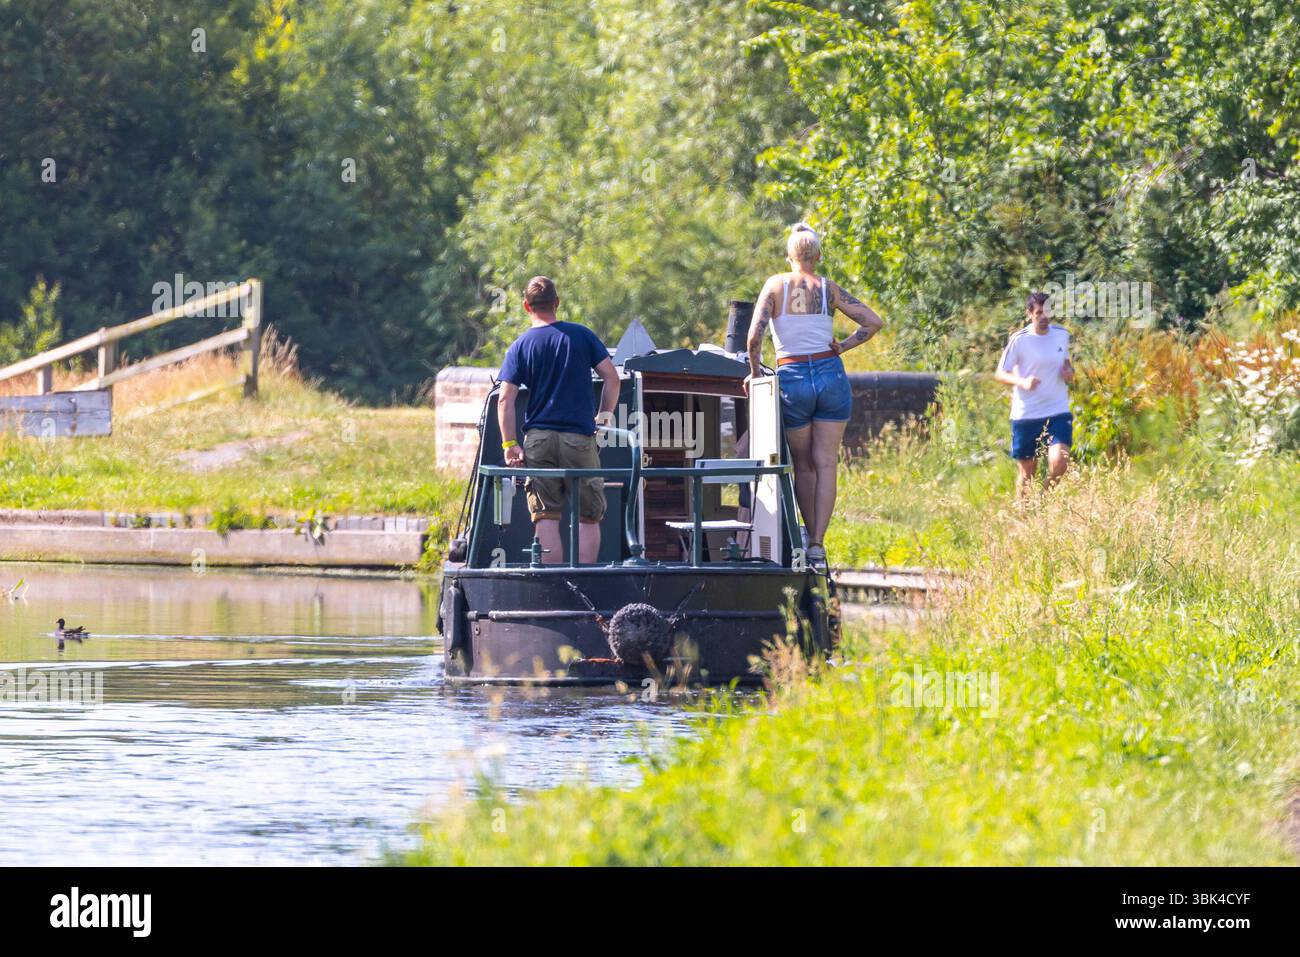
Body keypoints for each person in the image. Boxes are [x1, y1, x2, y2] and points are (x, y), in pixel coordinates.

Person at [745, 223, 884, 566]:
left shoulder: (775, 285)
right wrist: (844, 347)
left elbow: (753, 338)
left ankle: (806, 534)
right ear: (818, 256)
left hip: (792, 378)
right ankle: (818, 545)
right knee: (827, 463)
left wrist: (753, 374)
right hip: (830, 376)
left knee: (803, 466)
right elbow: (872, 322)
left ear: (789, 256)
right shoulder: (829, 289)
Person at [497, 276, 620, 564]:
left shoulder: (520, 346)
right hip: (578, 438)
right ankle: (584, 586)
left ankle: (554, 586)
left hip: (538, 440)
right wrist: (602, 418)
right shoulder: (581, 335)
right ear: (557, 302)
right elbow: (612, 379)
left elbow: (505, 399)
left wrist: (510, 444)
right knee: (588, 515)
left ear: (527, 306)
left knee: (545, 515)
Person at [993, 291, 1075, 499]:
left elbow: (1065, 362)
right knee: (1027, 472)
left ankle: (1042, 500)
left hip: (1057, 410)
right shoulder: (1019, 340)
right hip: (1026, 413)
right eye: (1039, 313)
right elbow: (1000, 373)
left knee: (1060, 463)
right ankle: (1024, 514)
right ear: (1029, 314)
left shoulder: (1061, 334)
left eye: (1048, 312)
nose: (1044, 317)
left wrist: (1068, 372)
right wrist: (1022, 382)